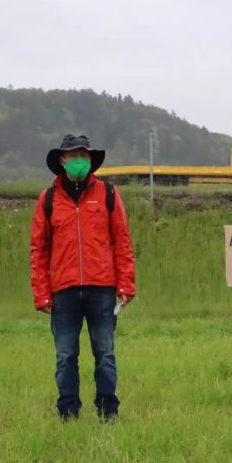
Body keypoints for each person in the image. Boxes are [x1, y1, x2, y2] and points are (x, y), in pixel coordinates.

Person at [29, 135, 135, 421]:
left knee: (105, 353)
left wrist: (126, 284)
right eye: (74, 155)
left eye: (85, 156)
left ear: (91, 160)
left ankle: (108, 411)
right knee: (65, 356)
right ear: (62, 161)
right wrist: (41, 293)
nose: (80, 161)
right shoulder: (47, 199)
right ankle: (68, 412)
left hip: (102, 289)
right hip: (62, 291)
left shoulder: (109, 194)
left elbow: (122, 241)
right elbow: (39, 249)